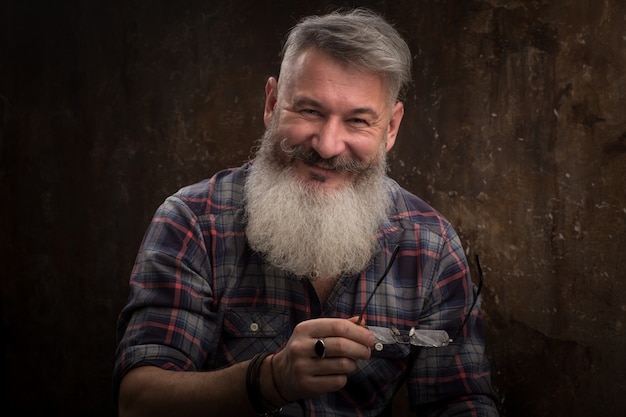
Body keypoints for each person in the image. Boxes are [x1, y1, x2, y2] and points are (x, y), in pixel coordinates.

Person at [113, 7, 499, 417]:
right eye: (310, 111)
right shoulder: (192, 222)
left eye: (358, 121)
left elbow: (460, 401)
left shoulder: (431, 245)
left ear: (390, 128)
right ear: (273, 103)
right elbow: (138, 402)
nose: (328, 145)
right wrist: (270, 380)